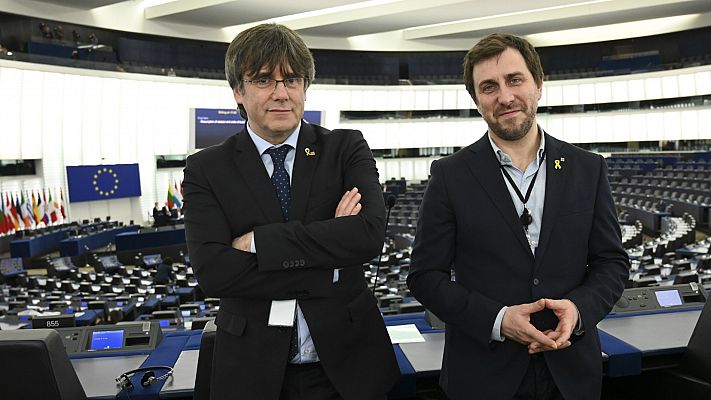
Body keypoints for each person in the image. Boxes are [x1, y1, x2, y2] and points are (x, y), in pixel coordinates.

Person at [407, 33, 629, 400]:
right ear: (477, 100)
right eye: (489, 87)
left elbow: (612, 263)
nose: (505, 97)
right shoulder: (449, 175)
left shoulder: (588, 169)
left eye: (515, 80)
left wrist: (577, 310)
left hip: (571, 374)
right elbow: (425, 277)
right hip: (484, 376)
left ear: (538, 85)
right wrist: (498, 321)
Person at [182, 23, 399, 400]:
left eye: (293, 80)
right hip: (253, 373)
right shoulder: (206, 168)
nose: (281, 94)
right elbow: (214, 272)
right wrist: (326, 263)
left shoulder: (345, 148)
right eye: (264, 80)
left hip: (351, 366)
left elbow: (367, 235)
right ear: (238, 90)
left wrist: (260, 244)